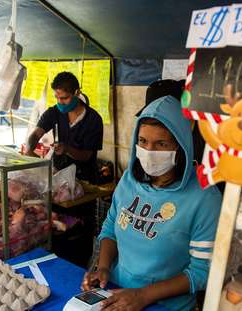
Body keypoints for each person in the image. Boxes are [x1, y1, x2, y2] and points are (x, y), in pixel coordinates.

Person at [82, 95, 222, 311]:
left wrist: (144, 295)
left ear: (180, 146)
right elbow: (110, 228)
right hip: (116, 294)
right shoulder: (130, 179)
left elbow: (203, 271)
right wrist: (104, 268)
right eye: (143, 141)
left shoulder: (204, 197)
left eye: (161, 144)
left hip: (165, 306)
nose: (149, 151)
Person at [25, 72, 103, 184]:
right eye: (57, 97)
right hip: (57, 174)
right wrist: (29, 150)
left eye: (64, 98)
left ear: (77, 93)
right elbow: (36, 134)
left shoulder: (93, 119)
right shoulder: (53, 112)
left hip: (83, 179)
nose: (60, 102)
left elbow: (86, 155)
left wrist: (67, 149)